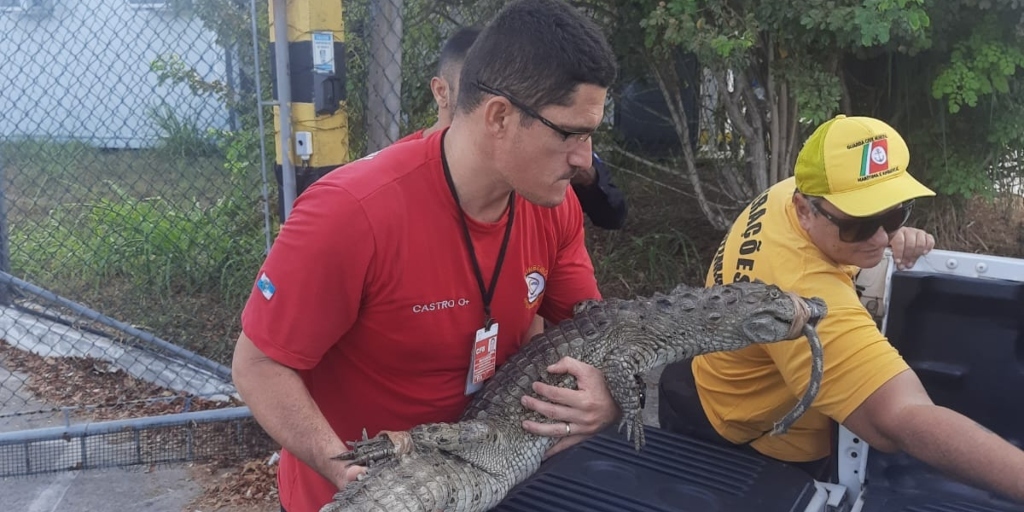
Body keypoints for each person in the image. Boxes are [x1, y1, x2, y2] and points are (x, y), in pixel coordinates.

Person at [231, 1, 622, 511]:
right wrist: (351, 474)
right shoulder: (352, 213)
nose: (584, 160)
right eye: (570, 133)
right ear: (499, 116)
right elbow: (258, 363)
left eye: (590, 135)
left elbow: (597, 336)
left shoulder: (554, 205)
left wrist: (608, 397)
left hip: (487, 482)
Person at [658, 114, 1024, 502]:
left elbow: (857, 238)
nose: (882, 237)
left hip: (713, 363)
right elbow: (901, 419)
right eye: (861, 224)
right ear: (804, 209)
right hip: (737, 434)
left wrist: (890, 236)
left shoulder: (796, 192)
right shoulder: (798, 292)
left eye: (895, 213)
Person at [397, 26, 628, 231]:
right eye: (475, 83)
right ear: (440, 91)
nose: (499, 95)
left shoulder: (542, 163)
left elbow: (613, 215)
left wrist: (588, 179)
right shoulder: (393, 180)